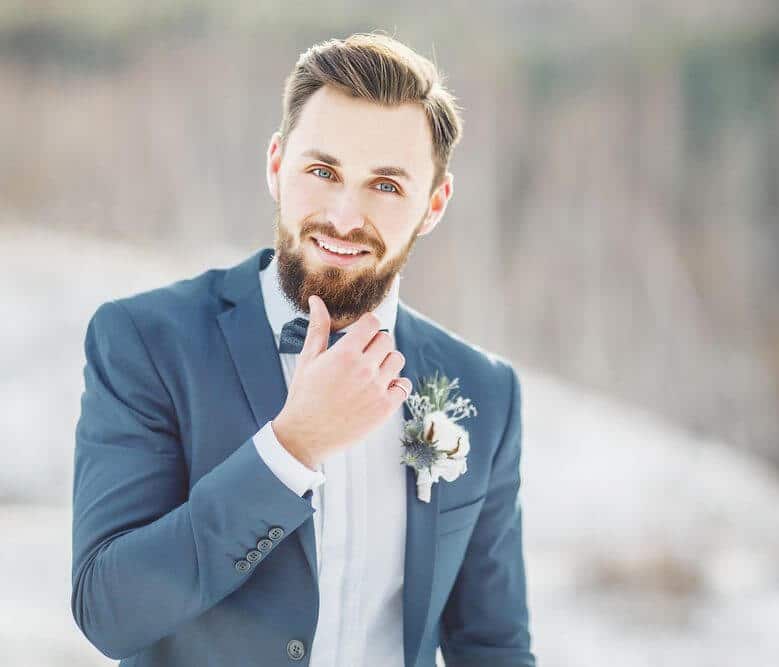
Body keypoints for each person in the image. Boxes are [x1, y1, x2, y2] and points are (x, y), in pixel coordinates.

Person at [71, 32, 536, 667]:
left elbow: (494, 646)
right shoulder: (145, 342)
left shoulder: (482, 389)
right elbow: (110, 611)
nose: (345, 215)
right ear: (275, 164)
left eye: (386, 185)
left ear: (434, 205)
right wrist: (290, 448)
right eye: (323, 171)